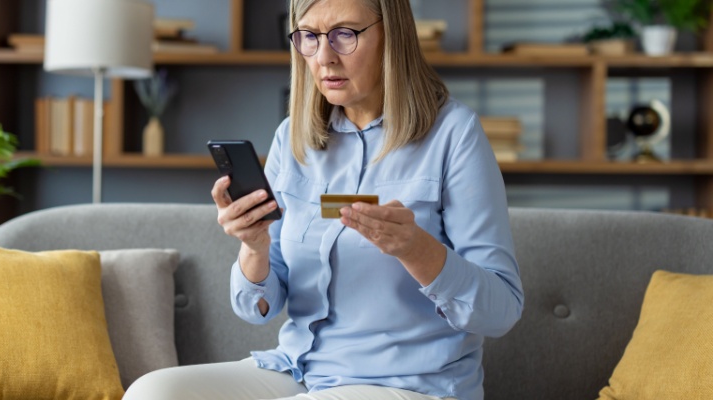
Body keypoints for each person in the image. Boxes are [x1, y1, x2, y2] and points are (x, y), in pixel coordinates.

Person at [123, 0, 523, 398]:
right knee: (154, 392)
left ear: (392, 35)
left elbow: (501, 310)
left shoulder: (455, 134)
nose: (325, 57)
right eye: (309, 37)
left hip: (409, 384)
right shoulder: (292, 137)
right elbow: (257, 307)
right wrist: (254, 247)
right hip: (300, 368)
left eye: (344, 34)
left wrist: (417, 249)